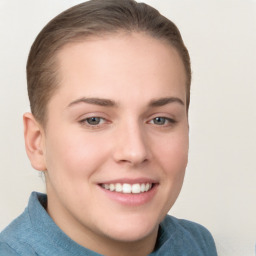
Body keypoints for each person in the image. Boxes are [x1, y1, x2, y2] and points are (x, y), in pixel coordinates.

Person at [0, 0, 218, 255]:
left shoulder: (196, 244)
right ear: (37, 142)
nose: (135, 151)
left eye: (160, 119)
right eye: (94, 120)